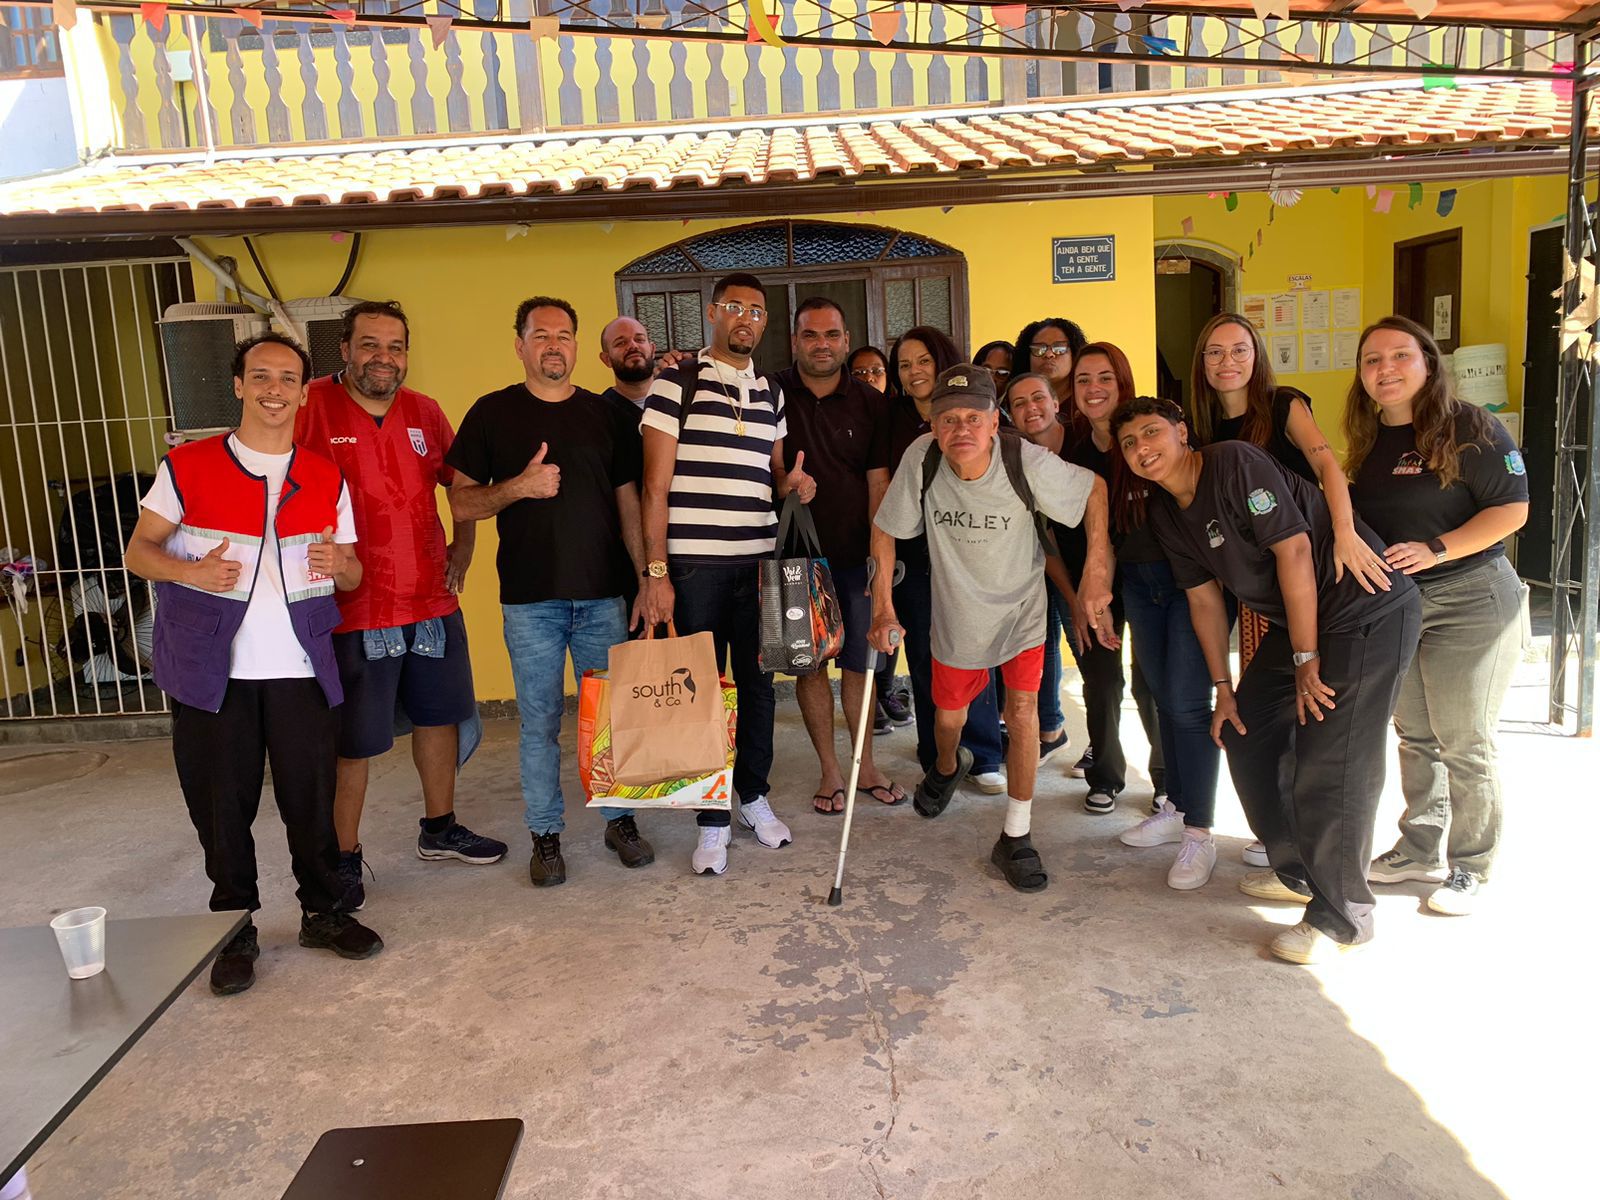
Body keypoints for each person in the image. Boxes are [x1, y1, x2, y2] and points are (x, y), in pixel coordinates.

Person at [1114, 396, 1421, 965]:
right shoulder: (1166, 513)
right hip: (1302, 625)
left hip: (1365, 610)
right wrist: (1223, 689)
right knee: (1245, 732)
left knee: (1334, 761)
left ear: (1182, 432)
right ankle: (1302, 873)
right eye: (1129, 443)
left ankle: (1344, 915)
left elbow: (1295, 551)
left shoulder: (1234, 462)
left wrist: (1307, 658)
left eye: (1152, 432)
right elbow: (1204, 601)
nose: (1142, 449)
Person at [125, 333, 383, 996]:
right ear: (239, 385)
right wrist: (192, 572)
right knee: (221, 807)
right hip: (213, 672)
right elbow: (139, 551)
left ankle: (323, 913)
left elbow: (353, 571)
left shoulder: (324, 475)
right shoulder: (188, 466)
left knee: (311, 801)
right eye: (261, 376)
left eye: (288, 378)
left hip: (301, 667)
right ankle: (233, 929)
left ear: (304, 393)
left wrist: (341, 564)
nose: (275, 389)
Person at [871, 365, 1113, 892]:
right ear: (933, 425)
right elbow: (886, 529)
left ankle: (1016, 835)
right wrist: (883, 609)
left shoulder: (1022, 459)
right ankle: (946, 765)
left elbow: (1094, 489)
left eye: (973, 418)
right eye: (948, 419)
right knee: (949, 720)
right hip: (957, 614)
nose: (961, 429)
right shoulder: (922, 458)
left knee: (1022, 714)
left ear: (994, 421)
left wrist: (1096, 569)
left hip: (1021, 610)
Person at [296, 300, 503, 912]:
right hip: (352, 607)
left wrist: (464, 549)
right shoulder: (311, 406)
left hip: (430, 600)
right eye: (370, 345)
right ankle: (343, 857)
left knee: (440, 719)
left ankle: (439, 829)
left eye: (395, 346)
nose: (383, 358)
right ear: (345, 349)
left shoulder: (425, 412)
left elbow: (462, 487)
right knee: (353, 743)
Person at [447, 297, 653, 888]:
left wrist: (645, 578)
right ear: (520, 346)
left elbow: (629, 504)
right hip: (530, 601)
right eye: (541, 335)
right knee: (538, 725)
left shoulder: (605, 415)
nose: (553, 345)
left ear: (577, 346)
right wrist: (519, 486)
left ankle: (619, 821)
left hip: (604, 598)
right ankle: (545, 835)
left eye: (563, 335)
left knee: (609, 719)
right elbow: (461, 501)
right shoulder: (491, 413)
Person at [1187, 311, 1390, 867]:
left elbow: (1328, 467)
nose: (1227, 361)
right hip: (1256, 584)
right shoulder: (1201, 428)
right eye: (1214, 352)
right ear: (1201, 363)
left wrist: (1345, 532)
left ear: (1256, 356)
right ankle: (1275, 826)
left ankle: (1308, 834)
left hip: (1310, 566)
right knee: (1263, 706)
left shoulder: (1283, 405)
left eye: (1239, 349)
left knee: (1308, 699)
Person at [1344, 316, 1529, 916]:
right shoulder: (1367, 436)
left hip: (1471, 598)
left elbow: (1513, 510)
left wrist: (1437, 548)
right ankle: (1419, 848)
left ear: (1428, 361)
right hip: (1400, 604)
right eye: (1372, 360)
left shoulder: (1471, 426)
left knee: (1464, 739)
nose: (1386, 369)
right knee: (1415, 735)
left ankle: (1471, 865)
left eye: (1400, 355)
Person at [638, 272, 813, 876]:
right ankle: (711, 818)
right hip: (695, 569)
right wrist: (656, 573)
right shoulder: (676, 381)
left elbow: (774, 474)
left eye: (757, 311)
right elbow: (654, 487)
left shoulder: (772, 392)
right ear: (713, 313)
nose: (746, 318)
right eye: (735, 307)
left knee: (759, 688)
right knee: (702, 693)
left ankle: (753, 796)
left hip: (759, 564)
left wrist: (794, 484)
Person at [772, 299, 906, 813]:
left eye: (832, 335)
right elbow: (766, 467)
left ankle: (864, 764)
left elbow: (879, 487)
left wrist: (879, 563)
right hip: (793, 558)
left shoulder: (872, 403)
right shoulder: (769, 391)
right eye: (810, 335)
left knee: (860, 665)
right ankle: (830, 769)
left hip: (856, 558)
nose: (822, 344)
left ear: (847, 341)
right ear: (795, 341)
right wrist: (785, 482)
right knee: (808, 669)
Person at [884, 327, 1007, 794]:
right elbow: (882, 488)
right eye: (904, 365)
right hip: (916, 557)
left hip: (972, 554)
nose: (914, 372)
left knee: (977, 652)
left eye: (923, 361)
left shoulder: (976, 415)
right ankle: (936, 755)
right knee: (924, 657)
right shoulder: (892, 420)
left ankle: (985, 753)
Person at [848, 344, 913, 734]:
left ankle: (886, 691)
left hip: (896, 531)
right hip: (853, 530)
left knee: (892, 613)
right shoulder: (846, 411)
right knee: (864, 618)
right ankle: (868, 702)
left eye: (876, 370)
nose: (869, 378)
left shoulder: (898, 416)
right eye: (859, 372)